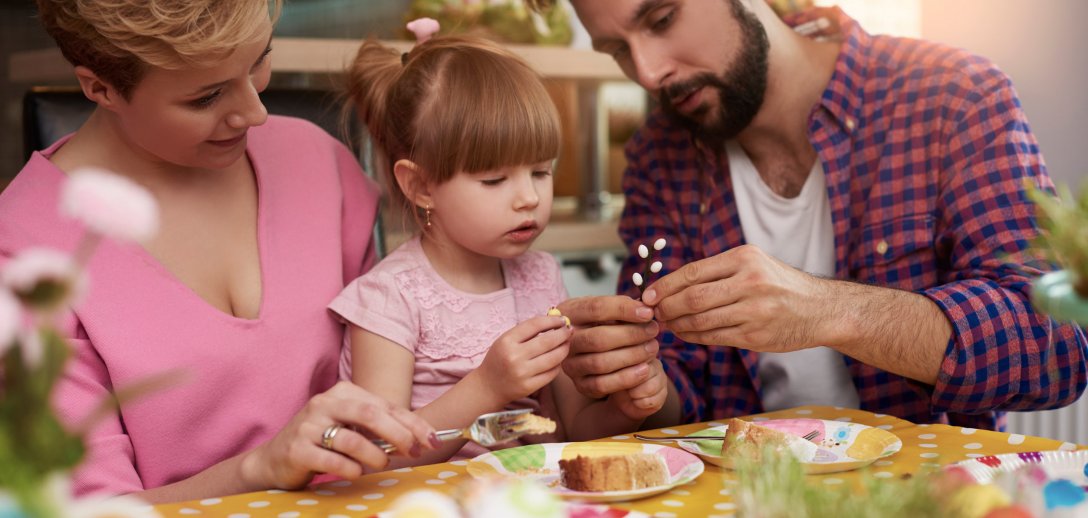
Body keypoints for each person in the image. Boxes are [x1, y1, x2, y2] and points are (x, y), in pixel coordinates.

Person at [536, 0, 1088, 430]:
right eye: (616, 50)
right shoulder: (660, 154)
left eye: (662, 17)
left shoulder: (953, 94)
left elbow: (1055, 346)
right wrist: (639, 381)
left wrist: (827, 309)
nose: (649, 72)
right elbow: (680, 384)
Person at [0, 0, 444, 502]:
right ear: (100, 87)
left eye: (259, 61)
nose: (255, 112)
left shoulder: (318, 163)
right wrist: (259, 468)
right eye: (207, 96)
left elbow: (410, 400)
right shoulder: (21, 255)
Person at [333, 29, 671, 468]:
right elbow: (378, 456)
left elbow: (569, 431)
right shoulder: (390, 297)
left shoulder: (541, 277)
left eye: (541, 172)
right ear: (420, 186)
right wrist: (487, 387)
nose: (528, 197)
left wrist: (626, 407)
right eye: (494, 180)